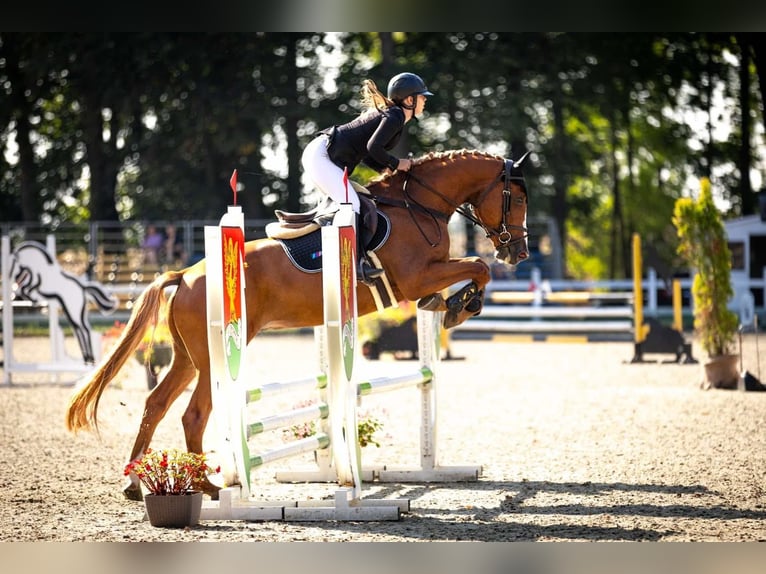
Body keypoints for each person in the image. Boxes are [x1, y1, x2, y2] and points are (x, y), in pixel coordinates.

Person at [302, 72, 433, 284]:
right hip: (322, 155)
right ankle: (355, 265)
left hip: (322, 153)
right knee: (351, 205)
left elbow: (368, 153)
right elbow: (374, 147)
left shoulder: (394, 115)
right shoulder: (395, 116)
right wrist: (396, 163)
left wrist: (386, 169)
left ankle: (352, 258)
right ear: (410, 100)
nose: (425, 100)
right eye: (422, 96)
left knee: (360, 201)